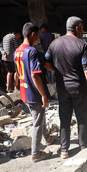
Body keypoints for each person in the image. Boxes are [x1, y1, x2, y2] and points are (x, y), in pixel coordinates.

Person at [45, 16, 87, 159]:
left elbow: (45, 61)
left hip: (62, 89)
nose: (83, 30)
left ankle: (64, 150)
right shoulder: (82, 45)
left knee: (64, 118)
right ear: (77, 28)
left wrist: (57, 70)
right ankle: (83, 146)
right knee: (82, 117)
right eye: (82, 27)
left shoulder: (54, 44)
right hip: (79, 88)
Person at [14, 22, 54, 163]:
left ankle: (48, 138)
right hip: (34, 93)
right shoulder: (32, 51)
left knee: (39, 116)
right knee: (37, 122)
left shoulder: (18, 51)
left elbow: (17, 74)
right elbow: (35, 75)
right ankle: (36, 154)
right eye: (38, 36)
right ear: (33, 34)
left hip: (25, 92)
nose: (39, 39)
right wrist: (44, 95)